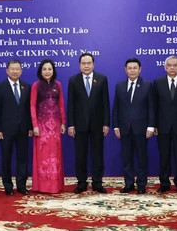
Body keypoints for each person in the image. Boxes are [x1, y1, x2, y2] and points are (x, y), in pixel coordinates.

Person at [67, 53, 110, 193]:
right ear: (79, 65)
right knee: (80, 155)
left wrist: (106, 123)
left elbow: (105, 103)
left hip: (98, 124)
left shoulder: (102, 79)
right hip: (79, 125)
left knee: (97, 154)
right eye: (83, 63)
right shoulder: (73, 80)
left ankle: (97, 182)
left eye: (89, 63)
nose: (86, 66)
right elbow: (71, 104)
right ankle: (81, 182)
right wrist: (71, 124)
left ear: (93, 64)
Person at [112, 58, 155, 194]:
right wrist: (116, 126)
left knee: (142, 158)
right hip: (124, 128)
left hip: (141, 129)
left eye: (134, 68)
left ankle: (141, 185)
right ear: (125, 70)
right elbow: (116, 108)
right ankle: (129, 183)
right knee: (127, 158)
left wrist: (151, 126)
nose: (132, 70)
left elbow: (151, 108)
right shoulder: (119, 86)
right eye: (129, 68)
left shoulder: (147, 85)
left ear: (140, 69)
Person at [153, 55, 177, 194]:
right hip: (162, 127)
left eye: (175, 65)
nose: (172, 67)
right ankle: (164, 182)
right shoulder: (157, 83)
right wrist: (154, 125)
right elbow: (154, 106)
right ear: (165, 67)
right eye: (169, 65)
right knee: (164, 156)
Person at [0, 59, 33, 195]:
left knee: (23, 159)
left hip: (23, 129)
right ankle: (8, 186)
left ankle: (21, 185)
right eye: (12, 69)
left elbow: (29, 110)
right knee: (6, 159)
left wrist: (30, 127)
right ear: (7, 71)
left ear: (21, 71)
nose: (15, 71)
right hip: (6, 130)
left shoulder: (27, 86)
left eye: (17, 69)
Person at [30, 59, 66, 193]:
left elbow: (61, 104)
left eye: (49, 69)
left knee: (55, 155)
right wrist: (35, 125)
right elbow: (32, 106)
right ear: (40, 71)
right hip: (42, 126)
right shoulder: (36, 86)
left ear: (53, 71)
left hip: (55, 126)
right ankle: (42, 186)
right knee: (43, 155)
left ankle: (55, 186)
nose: (47, 71)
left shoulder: (58, 85)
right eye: (44, 69)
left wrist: (63, 122)